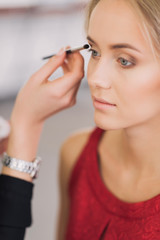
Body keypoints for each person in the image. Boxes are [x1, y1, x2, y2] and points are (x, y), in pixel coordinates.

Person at [1, 0, 160, 239]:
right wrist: (26, 121)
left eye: (124, 60)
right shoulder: (76, 154)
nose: (95, 77)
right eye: (94, 52)